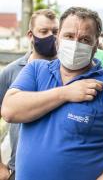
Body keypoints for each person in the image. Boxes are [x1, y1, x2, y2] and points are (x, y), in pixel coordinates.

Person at [1, 7, 103, 180]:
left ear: (96, 44)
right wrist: (65, 93)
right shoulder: (36, 70)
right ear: (58, 37)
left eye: (84, 39)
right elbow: (9, 111)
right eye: (69, 36)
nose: (75, 44)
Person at [0, 9, 59, 180]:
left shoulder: (69, 71)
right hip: (19, 169)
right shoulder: (12, 71)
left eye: (55, 32)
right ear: (30, 35)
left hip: (60, 170)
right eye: (44, 31)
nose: (51, 36)